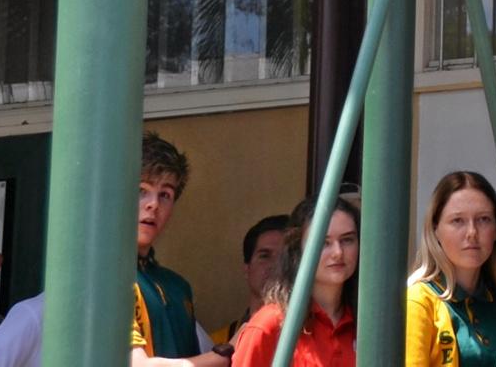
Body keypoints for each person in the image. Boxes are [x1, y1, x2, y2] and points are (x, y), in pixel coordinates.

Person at [229, 194, 359, 367]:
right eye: (323, 242)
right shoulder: (270, 325)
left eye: (347, 240)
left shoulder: (370, 321)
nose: (338, 252)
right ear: (297, 249)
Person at [132, 136, 226, 367]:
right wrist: (224, 355)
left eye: (165, 194)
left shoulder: (177, 286)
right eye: (141, 190)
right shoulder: (104, 276)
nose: (153, 204)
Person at [407, 171, 496, 367]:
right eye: (458, 221)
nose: (472, 233)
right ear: (435, 229)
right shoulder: (418, 301)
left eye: (483, 219)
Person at [224, 217, 289, 345]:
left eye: (285, 257)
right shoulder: (219, 341)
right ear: (247, 268)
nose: (276, 265)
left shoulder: (314, 338)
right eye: (265, 256)